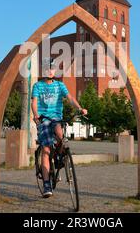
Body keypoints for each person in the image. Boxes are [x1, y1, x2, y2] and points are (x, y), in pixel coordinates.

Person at [31, 58, 87, 198]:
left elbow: (70, 98)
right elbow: (34, 102)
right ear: (43, 71)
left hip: (56, 118)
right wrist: (36, 115)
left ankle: (59, 159)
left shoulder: (60, 85)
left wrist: (80, 108)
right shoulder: (37, 86)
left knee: (60, 135)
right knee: (46, 149)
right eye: (47, 68)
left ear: (54, 70)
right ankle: (46, 184)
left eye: (52, 68)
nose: (50, 71)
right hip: (43, 119)